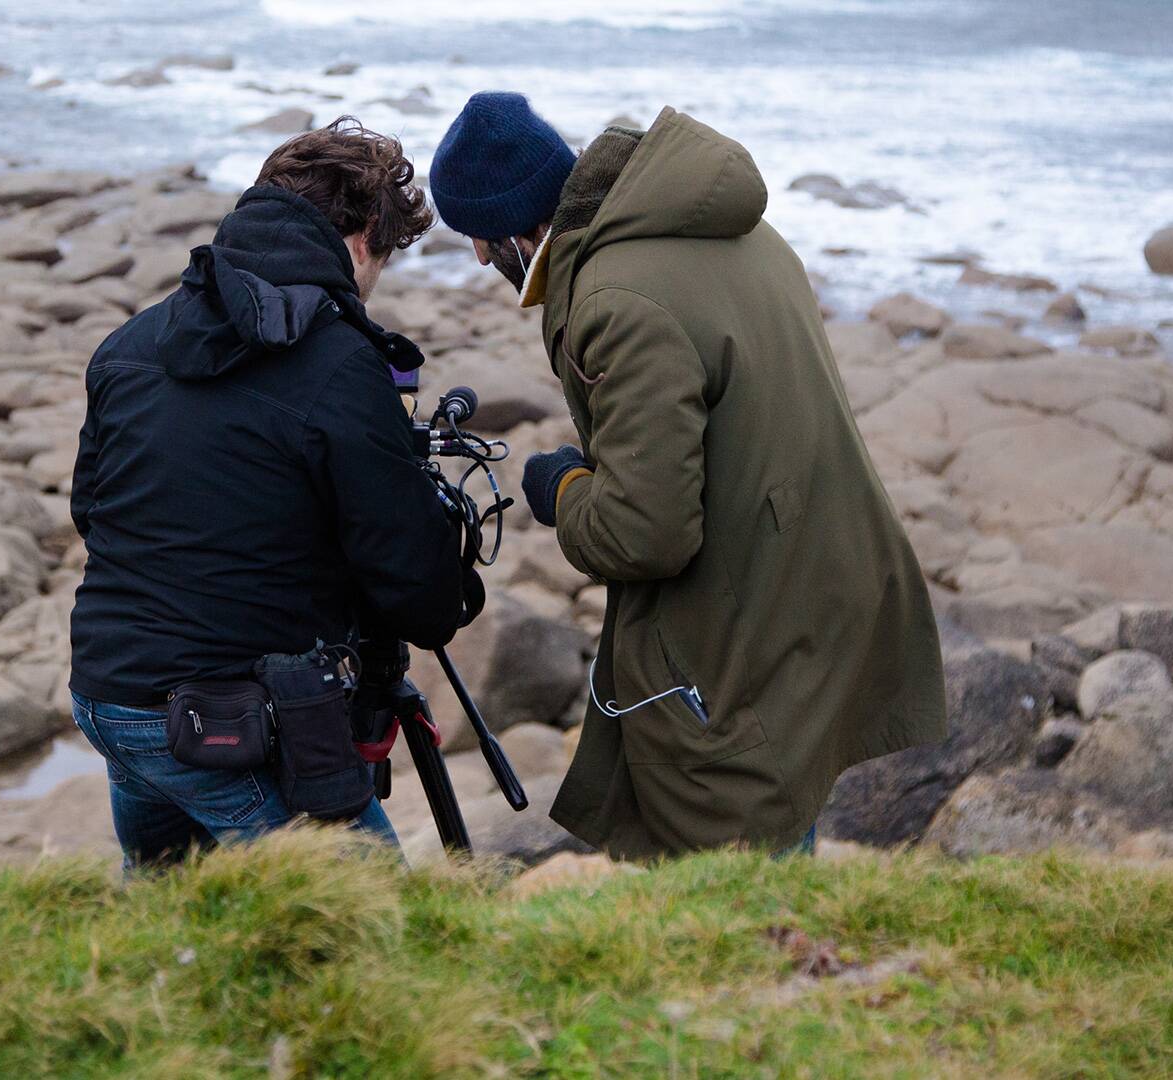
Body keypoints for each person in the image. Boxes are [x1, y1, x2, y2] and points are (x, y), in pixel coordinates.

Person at [429, 93, 947, 858]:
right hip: (824, 580)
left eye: (476, 235)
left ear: (511, 224)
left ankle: (768, 972)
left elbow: (648, 533)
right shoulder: (728, 228)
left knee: (730, 869)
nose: (477, 258)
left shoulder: (614, 300)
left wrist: (562, 489)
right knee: (778, 825)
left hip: (753, 622)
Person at [69, 118, 470, 869]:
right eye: (383, 258)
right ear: (358, 241)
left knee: (174, 918)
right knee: (376, 925)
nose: (375, 280)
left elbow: (94, 513)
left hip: (107, 692)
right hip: (224, 725)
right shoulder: (341, 365)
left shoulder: (130, 344)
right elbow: (420, 596)